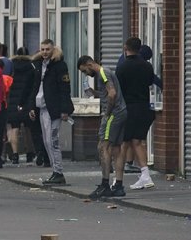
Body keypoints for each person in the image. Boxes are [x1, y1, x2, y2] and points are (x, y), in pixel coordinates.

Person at [77, 54, 128, 199]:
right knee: (117, 148)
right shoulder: (107, 72)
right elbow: (107, 93)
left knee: (103, 146)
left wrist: (107, 113)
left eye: (84, 71)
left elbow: (112, 94)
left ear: (89, 64)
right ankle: (118, 185)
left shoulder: (103, 73)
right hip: (122, 112)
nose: (86, 74)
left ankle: (105, 184)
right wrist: (94, 93)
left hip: (114, 114)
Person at [117, 37, 163, 190]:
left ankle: (118, 180)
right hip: (144, 108)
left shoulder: (123, 67)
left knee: (124, 143)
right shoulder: (147, 66)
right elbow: (150, 82)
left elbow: (119, 90)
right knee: (138, 141)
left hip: (129, 108)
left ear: (125, 47)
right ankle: (145, 175)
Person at [31, 38, 72, 184]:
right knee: (46, 141)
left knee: (52, 140)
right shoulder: (38, 64)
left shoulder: (59, 65)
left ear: (53, 49)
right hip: (42, 107)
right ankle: (55, 171)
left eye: (47, 49)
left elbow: (64, 88)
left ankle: (58, 172)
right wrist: (31, 107)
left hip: (54, 108)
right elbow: (34, 87)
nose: (44, 52)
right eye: (42, 49)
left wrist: (65, 109)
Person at [7, 46, 39, 165]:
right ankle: (29, 152)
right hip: (26, 100)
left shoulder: (11, 65)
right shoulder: (31, 66)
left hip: (13, 101)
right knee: (28, 128)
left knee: (14, 128)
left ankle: (15, 154)